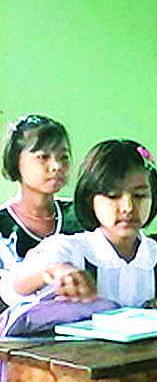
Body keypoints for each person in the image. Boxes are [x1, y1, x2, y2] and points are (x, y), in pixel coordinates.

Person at [9, 140, 157, 308]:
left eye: (139, 196)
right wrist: (55, 271)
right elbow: (17, 285)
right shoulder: (68, 250)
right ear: (89, 199)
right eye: (112, 196)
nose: (128, 207)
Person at [0, 114, 82, 307]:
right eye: (43, 157)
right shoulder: (3, 224)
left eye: (63, 157)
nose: (56, 166)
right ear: (15, 160)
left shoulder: (81, 216)